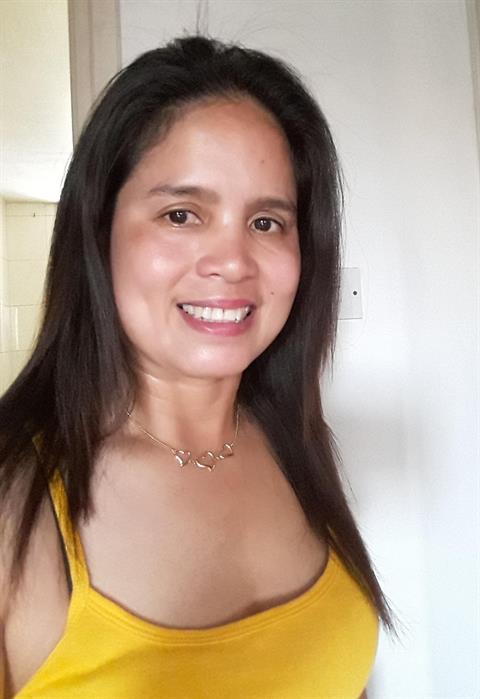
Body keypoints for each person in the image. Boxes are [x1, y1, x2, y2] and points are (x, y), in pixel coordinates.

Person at [0, 34, 396, 699]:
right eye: (182, 214)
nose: (233, 262)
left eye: (267, 222)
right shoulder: (17, 501)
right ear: (98, 231)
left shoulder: (296, 441)